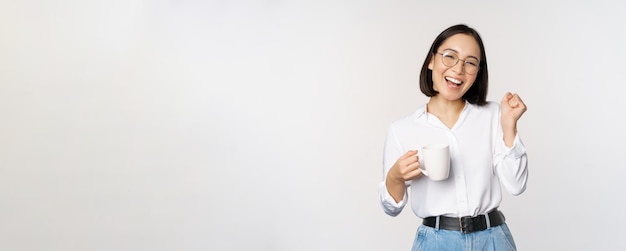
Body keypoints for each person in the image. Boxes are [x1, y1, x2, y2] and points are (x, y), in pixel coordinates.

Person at [378, 24, 528, 251]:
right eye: (450, 57)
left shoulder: (493, 115)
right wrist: (396, 177)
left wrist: (509, 127)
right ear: (431, 61)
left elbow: (516, 185)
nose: (458, 69)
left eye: (470, 62)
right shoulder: (402, 129)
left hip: (494, 240)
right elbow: (392, 208)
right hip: (436, 243)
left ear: (477, 72)